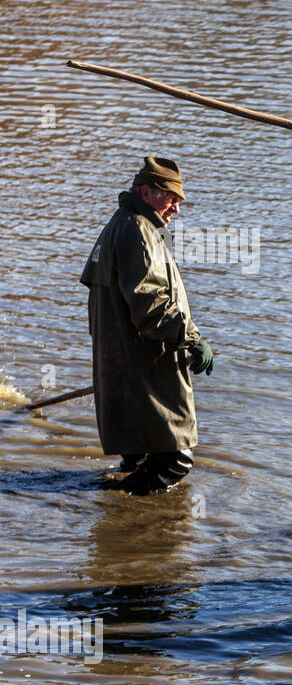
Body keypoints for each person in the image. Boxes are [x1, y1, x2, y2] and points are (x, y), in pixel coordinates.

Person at [80, 157, 214, 495]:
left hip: (122, 360)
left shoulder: (122, 223)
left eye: (179, 201)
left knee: (138, 454)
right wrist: (193, 340)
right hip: (142, 362)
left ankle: (115, 506)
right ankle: (122, 508)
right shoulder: (138, 231)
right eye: (171, 198)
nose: (176, 209)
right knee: (175, 459)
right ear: (146, 191)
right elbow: (151, 305)